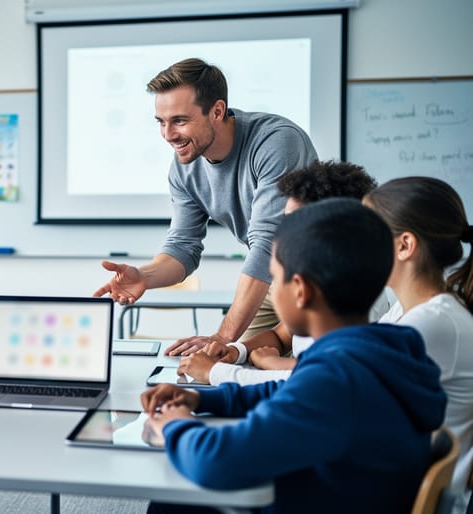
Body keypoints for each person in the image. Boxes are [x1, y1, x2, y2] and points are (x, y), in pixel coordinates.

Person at [141, 198, 446, 514]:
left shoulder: (337, 379)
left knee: (175, 499)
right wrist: (201, 399)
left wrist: (175, 425)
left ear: (300, 290)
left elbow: (215, 461)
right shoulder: (382, 346)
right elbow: (288, 389)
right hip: (345, 492)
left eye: (275, 277)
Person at [93, 57, 318, 356]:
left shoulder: (276, 142)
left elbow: (267, 243)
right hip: (275, 275)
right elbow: (183, 247)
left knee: (307, 372)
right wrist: (144, 276)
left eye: (180, 121)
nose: (168, 135)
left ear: (217, 111)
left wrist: (223, 336)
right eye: (161, 122)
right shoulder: (184, 167)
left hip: (324, 276)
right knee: (234, 362)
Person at [177, 160, 379, 385]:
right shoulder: (320, 276)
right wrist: (236, 352)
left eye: (293, 219)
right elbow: (281, 335)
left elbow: (315, 379)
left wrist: (218, 372)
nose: (282, 230)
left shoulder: (361, 298)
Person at [364, 177, 473, 514]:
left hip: (397, 498)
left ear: (405, 245)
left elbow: (334, 385)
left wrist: (222, 373)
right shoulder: (406, 311)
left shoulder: (432, 323)